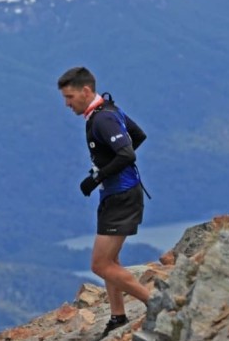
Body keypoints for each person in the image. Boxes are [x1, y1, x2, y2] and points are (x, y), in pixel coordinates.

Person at [57, 66, 151, 338]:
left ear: (86, 91)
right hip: (116, 194)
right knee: (112, 259)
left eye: (70, 97)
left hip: (121, 196)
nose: (67, 104)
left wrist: (99, 176)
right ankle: (118, 316)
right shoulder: (106, 110)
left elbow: (127, 153)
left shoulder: (102, 120)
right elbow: (138, 136)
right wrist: (109, 171)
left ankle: (155, 302)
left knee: (100, 264)